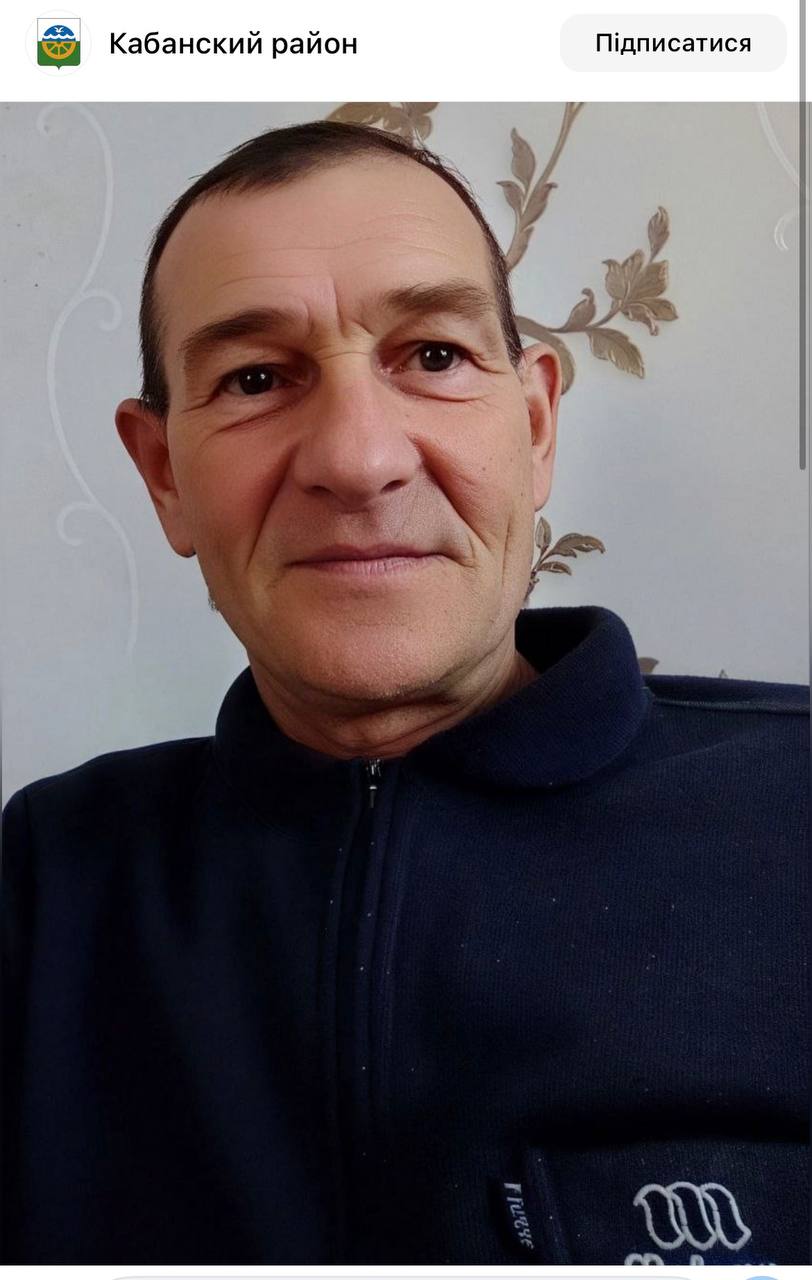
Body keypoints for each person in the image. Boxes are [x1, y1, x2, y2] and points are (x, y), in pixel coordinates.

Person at [1, 121, 807, 1266]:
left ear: (534, 424)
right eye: (255, 378)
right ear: (164, 473)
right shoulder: (48, 876)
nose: (357, 458)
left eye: (432, 354)